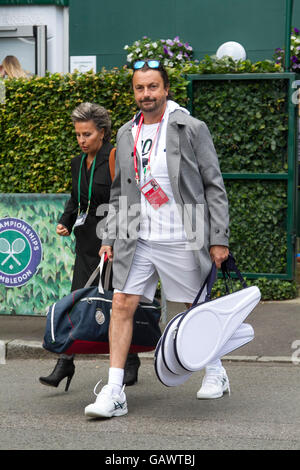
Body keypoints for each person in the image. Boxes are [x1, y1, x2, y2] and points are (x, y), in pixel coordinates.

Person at [84, 60, 230, 419]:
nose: (146, 94)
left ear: (166, 89)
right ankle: (115, 391)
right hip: (139, 237)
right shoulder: (124, 132)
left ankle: (215, 371)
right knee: (121, 304)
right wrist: (111, 237)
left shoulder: (190, 127)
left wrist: (218, 238)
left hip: (183, 233)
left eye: (153, 87)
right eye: (139, 88)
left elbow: (214, 185)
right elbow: (120, 192)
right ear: (133, 92)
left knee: (192, 309)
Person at [39, 102, 140, 391]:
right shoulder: (76, 162)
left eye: (87, 134)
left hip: (111, 240)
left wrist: (116, 238)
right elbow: (76, 199)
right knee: (78, 301)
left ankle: (130, 362)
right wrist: (66, 221)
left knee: (114, 303)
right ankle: (65, 362)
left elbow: (125, 198)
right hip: (85, 242)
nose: (82, 141)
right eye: (78, 135)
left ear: (103, 133)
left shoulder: (115, 157)